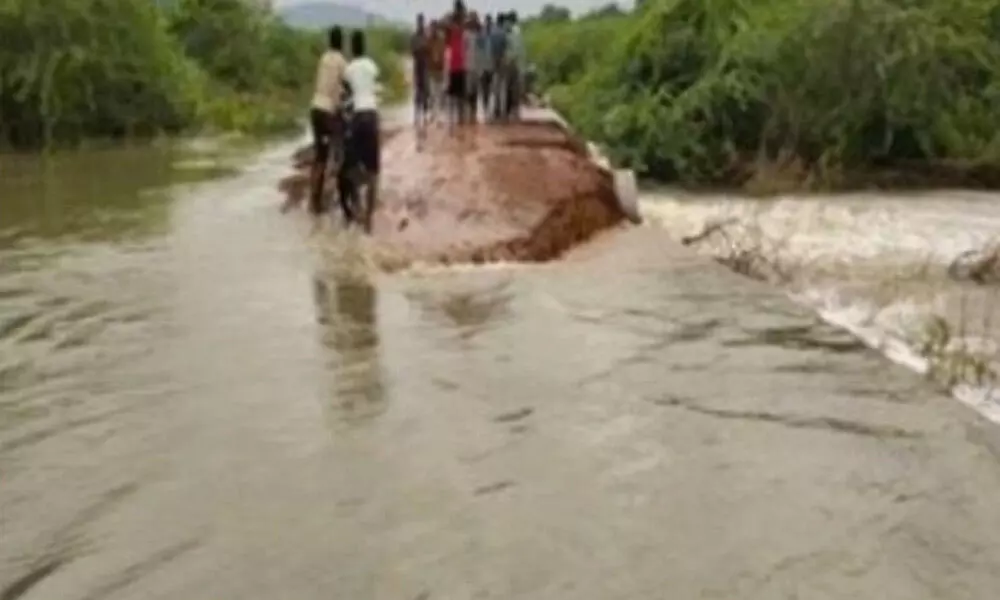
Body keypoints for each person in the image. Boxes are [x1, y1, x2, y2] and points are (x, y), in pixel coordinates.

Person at [303, 26, 348, 220]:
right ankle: (339, 194)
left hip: (315, 108)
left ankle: (314, 202)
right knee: (340, 149)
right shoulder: (341, 61)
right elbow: (345, 87)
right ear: (341, 42)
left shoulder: (323, 58)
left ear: (330, 41)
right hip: (329, 111)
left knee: (319, 157)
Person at [340, 30, 382, 233]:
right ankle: (369, 221)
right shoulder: (372, 66)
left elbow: (346, 94)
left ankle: (357, 206)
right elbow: (373, 84)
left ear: (351, 48)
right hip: (372, 115)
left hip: (357, 117)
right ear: (364, 46)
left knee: (352, 165)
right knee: (374, 171)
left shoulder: (349, 69)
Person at [445, 2, 468, 128]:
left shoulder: (463, 24)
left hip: (460, 63)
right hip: (454, 63)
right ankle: (454, 117)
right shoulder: (451, 25)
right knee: (454, 93)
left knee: (459, 94)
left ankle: (459, 117)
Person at [410, 13, 430, 131]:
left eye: (422, 21)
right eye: (419, 21)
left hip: (425, 65)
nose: (421, 24)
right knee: (418, 90)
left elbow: (429, 50)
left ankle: (425, 114)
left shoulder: (426, 36)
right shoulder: (415, 37)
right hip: (418, 66)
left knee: (425, 90)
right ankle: (417, 115)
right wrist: (420, 50)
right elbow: (413, 51)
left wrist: (422, 50)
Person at [489, 13, 509, 121]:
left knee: (494, 86)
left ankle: (495, 109)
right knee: (502, 87)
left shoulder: (492, 32)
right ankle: (501, 110)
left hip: (492, 61)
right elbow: (506, 48)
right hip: (501, 60)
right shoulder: (503, 33)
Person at [506, 11, 525, 121]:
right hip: (517, 63)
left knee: (512, 88)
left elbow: (512, 50)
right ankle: (515, 110)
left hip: (513, 63)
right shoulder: (518, 31)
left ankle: (513, 109)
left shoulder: (512, 31)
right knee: (515, 88)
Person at [463, 13, 481, 123]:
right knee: (469, 90)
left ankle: (473, 112)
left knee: (475, 90)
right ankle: (469, 111)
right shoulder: (466, 35)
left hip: (477, 66)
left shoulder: (479, 35)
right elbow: (463, 49)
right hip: (468, 65)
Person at [427, 20, 447, 121]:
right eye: (432, 28)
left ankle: (438, 114)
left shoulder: (441, 40)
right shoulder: (428, 39)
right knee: (432, 93)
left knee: (439, 93)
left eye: (435, 28)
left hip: (440, 69)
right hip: (431, 69)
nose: (433, 30)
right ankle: (433, 113)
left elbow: (444, 54)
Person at [477, 14, 495, 119]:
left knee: (490, 89)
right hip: (483, 66)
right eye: (487, 22)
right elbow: (478, 51)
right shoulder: (481, 36)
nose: (488, 24)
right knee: (484, 89)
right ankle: (485, 108)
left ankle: (488, 108)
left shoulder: (493, 36)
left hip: (491, 66)